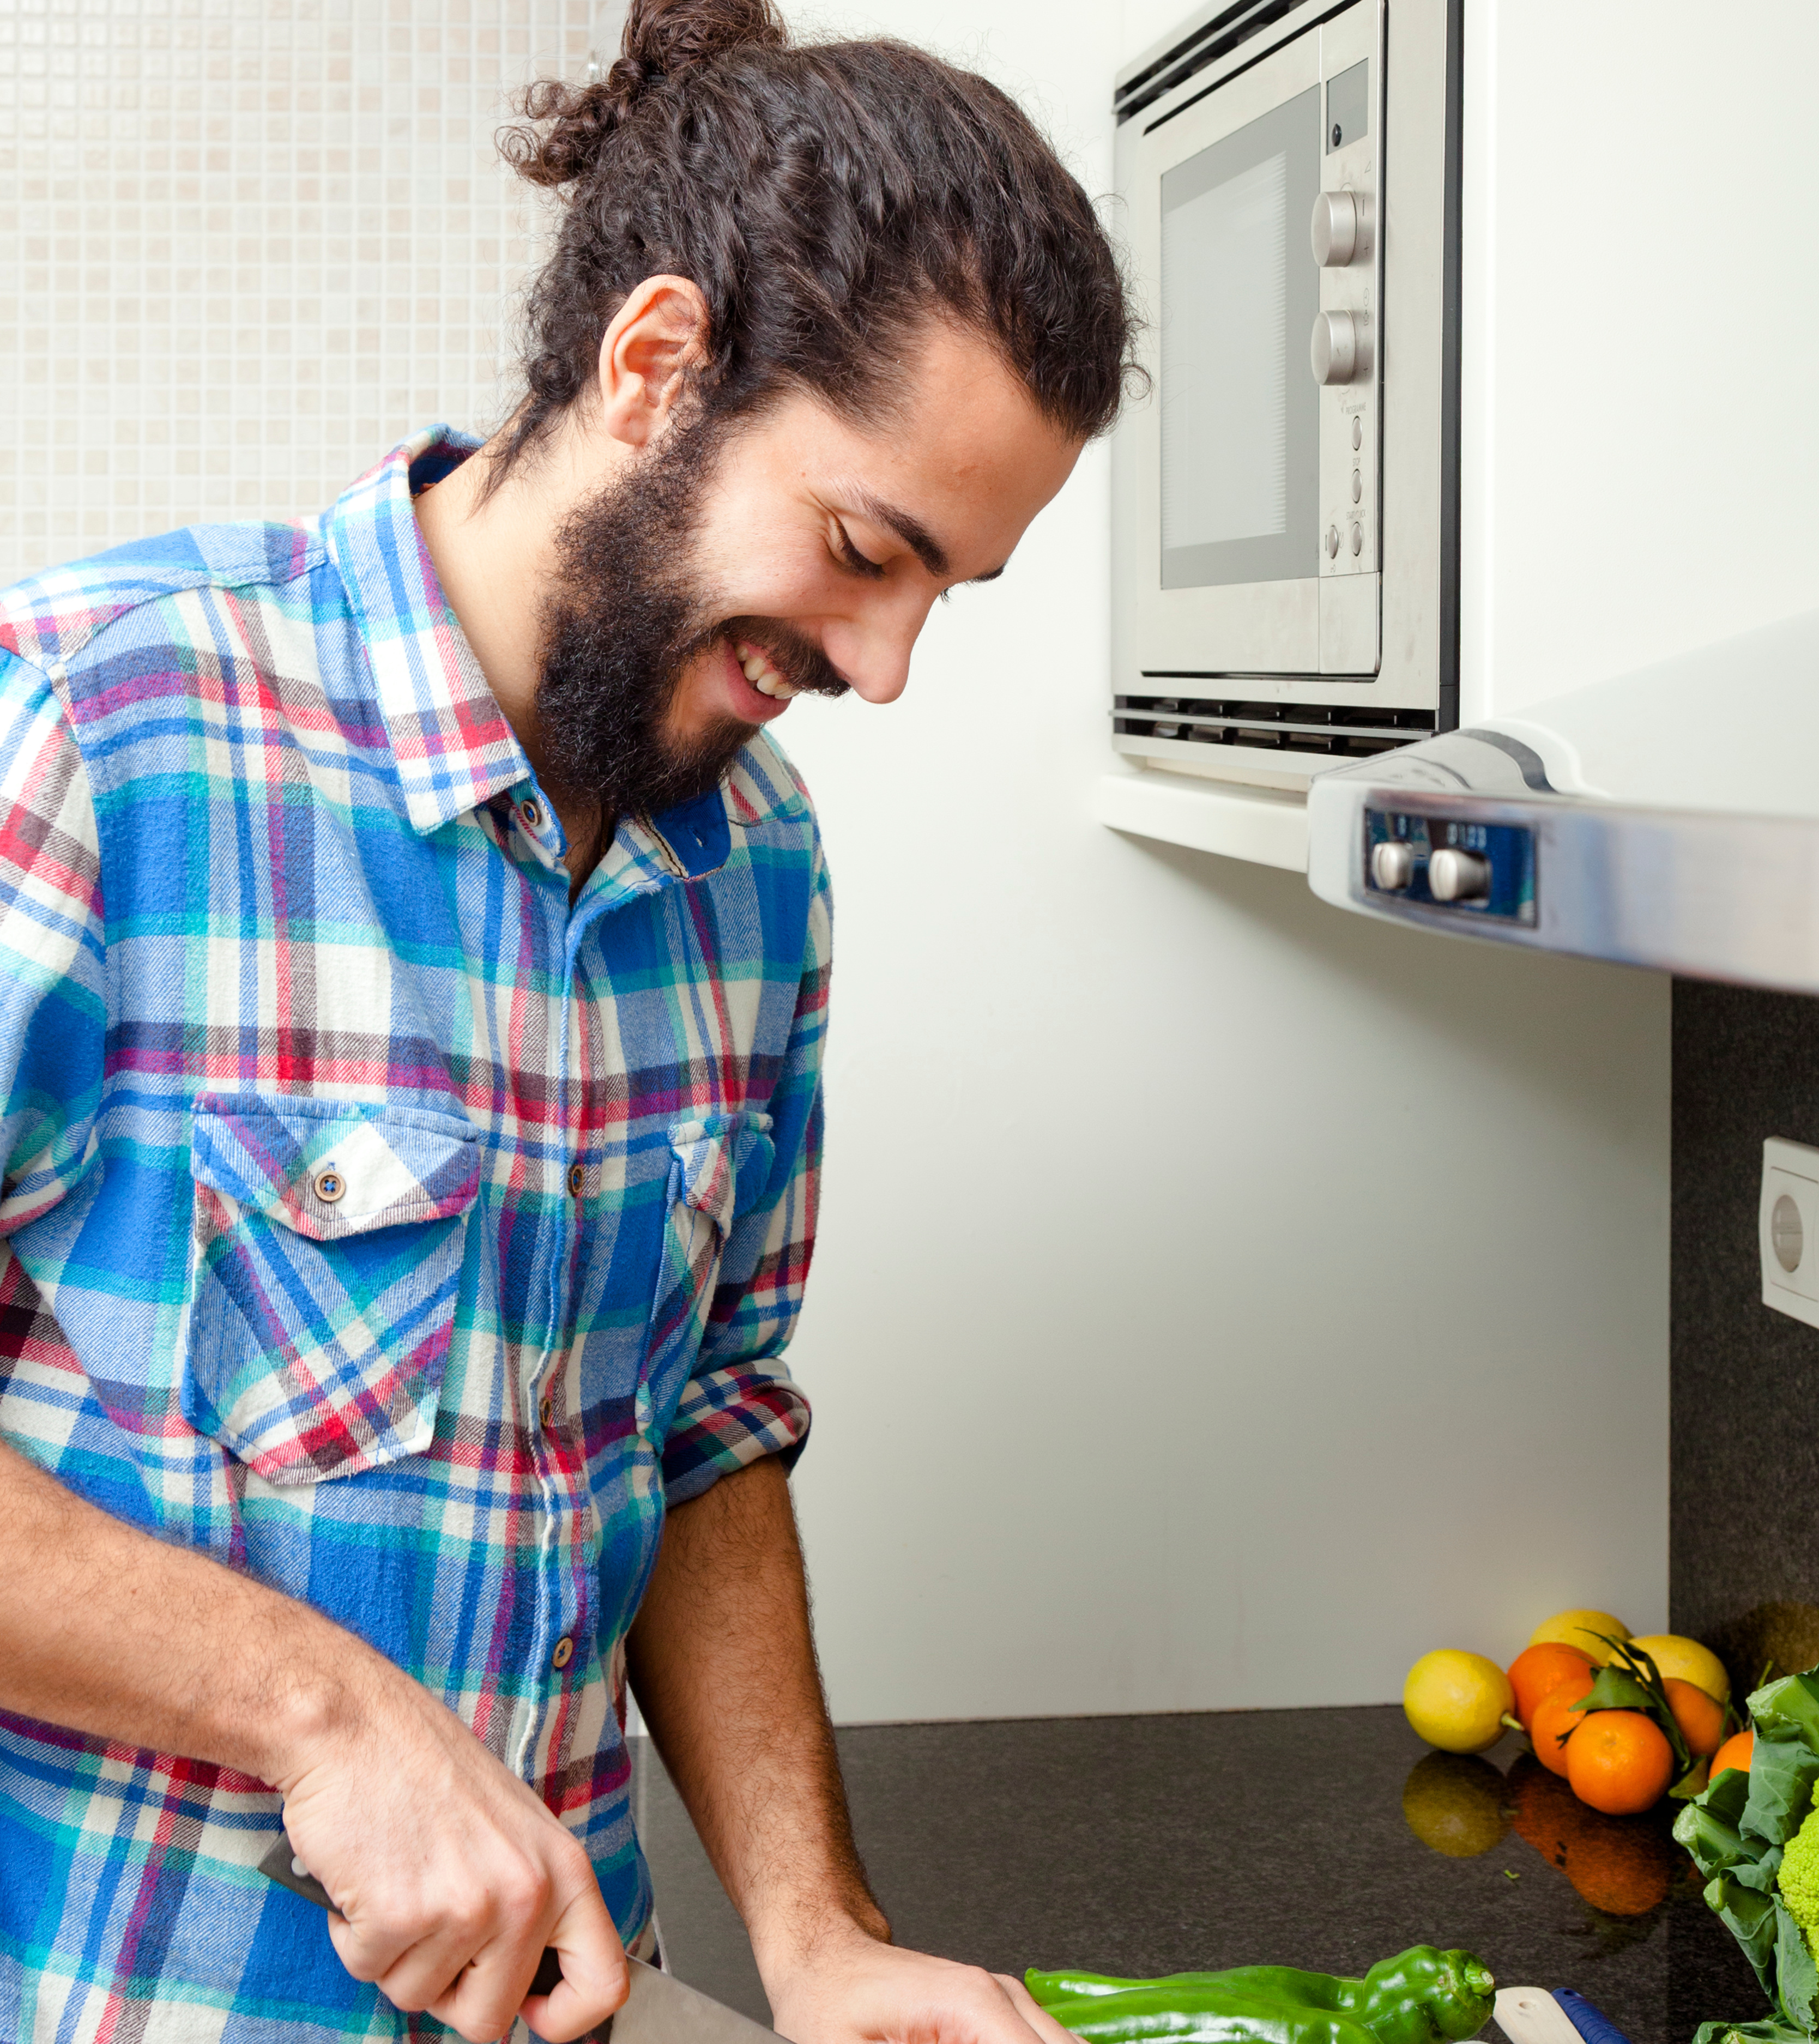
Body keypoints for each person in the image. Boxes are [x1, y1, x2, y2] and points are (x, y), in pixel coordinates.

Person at [0, 0, 1136, 2037]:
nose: (881, 668)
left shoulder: (753, 869)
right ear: (653, 364)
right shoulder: (101, 719)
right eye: (864, 548)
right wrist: (320, 1709)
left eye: (940, 593)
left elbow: (707, 1423)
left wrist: (814, 1930)